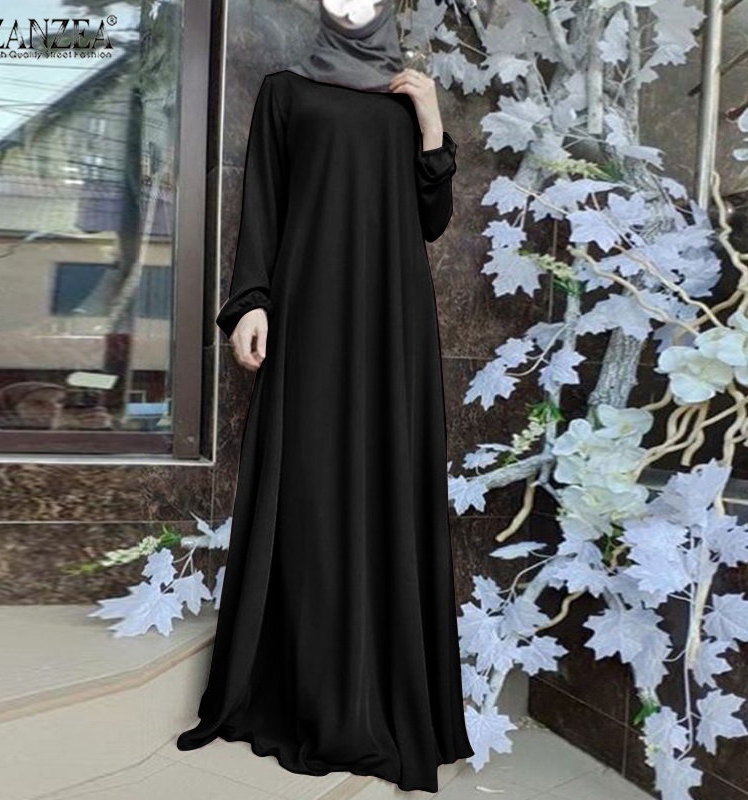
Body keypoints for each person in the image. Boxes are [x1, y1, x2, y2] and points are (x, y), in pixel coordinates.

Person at [176, 0, 474, 793]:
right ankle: (303, 686)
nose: (347, 4)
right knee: (307, 487)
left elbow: (432, 220)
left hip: (391, 325)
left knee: (384, 482)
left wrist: (431, 122)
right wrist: (252, 303)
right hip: (309, 314)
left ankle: (379, 693)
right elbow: (263, 205)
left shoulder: (407, 94)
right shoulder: (288, 90)